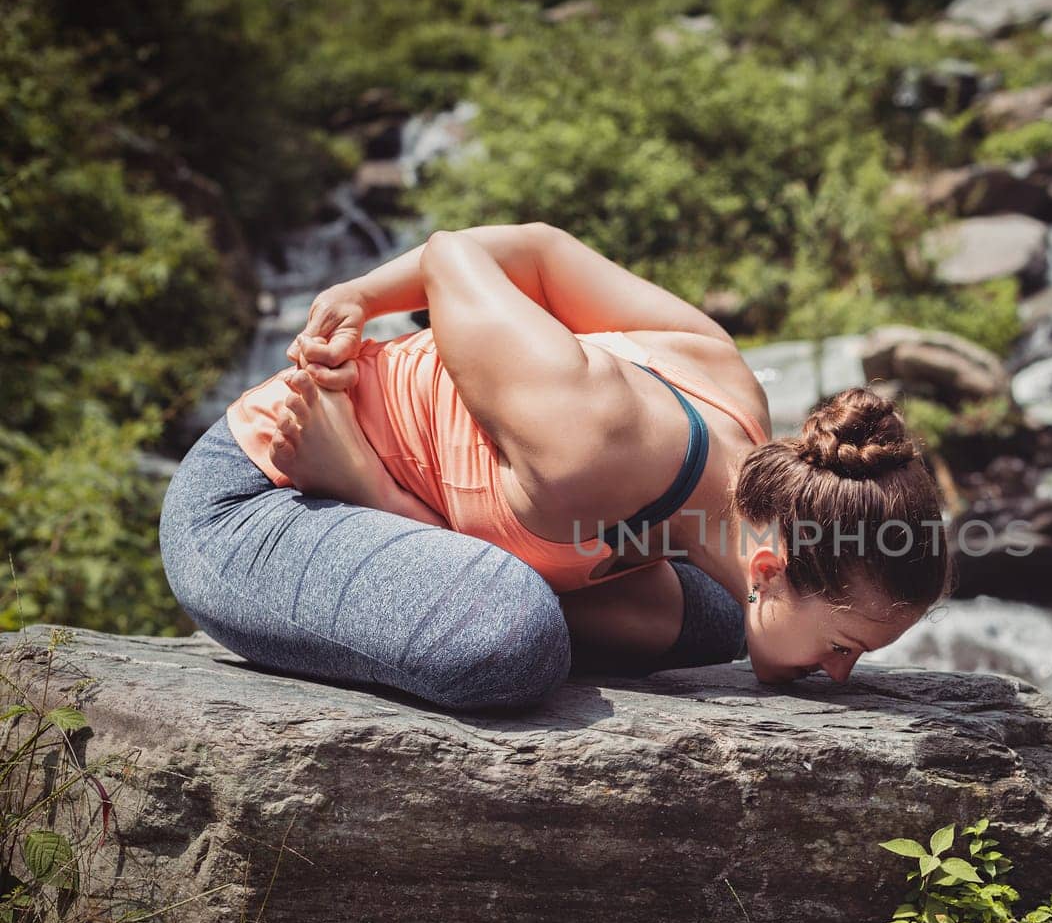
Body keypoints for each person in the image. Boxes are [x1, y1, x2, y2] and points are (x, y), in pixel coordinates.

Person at [159, 222, 954, 711]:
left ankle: (485, 558)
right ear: (772, 565)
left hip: (435, 502)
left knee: (719, 624)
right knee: (509, 643)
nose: (841, 676)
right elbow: (455, 257)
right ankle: (383, 499)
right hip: (272, 493)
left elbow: (540, 253)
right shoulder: (590, 433)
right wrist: (361, 312)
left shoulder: (736, 398)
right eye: (846, 644)